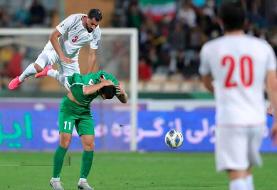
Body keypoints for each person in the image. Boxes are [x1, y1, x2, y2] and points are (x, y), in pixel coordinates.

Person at [199, 2, 277, 190]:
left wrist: (219, 90)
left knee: (236, 174)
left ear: (220, 21)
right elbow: (273, 84)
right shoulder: (263, 47)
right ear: (246, 22)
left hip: (231, 119)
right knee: (246, 170)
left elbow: (206, 81)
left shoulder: (211, 49)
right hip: (257, 119)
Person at [49, 69, 128, 190]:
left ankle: (83, 181)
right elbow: (85, 91)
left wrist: (122, 93)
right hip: (69, 109)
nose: (102, 98)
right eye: (102, 96)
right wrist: (102, 84)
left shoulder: (112, 83)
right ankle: (55, 180)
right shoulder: (90, 80)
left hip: (84, 111)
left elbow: (124, 100)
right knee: (65, 142)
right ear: (100, 89)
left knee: (89, 144)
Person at [8, 8, 103, 90]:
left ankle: (49, 71)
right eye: (92, 24)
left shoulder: (96, 32)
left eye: (96, 25)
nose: (94, 27)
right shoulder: (73, 19)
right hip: (54, 48)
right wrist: (61, 56)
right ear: (87, 18)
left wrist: (88, 75)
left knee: (75, 89)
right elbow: (53, 36)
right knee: (38, 67)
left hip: (71, 57)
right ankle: (20, 79)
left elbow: (92, 54)